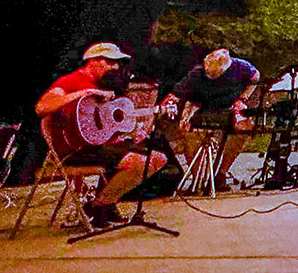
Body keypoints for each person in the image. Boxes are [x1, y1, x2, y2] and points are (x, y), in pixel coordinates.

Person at [35, 41, 169, 231]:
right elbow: (42, 107)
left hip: (98, 145)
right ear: (94, 61)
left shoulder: (106, 86)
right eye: (111, 62)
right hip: (75, 150)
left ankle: (102, 204)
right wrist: (86, 92)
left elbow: (102, 125)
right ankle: (101, 208)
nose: (115, 68)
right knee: (137, 162)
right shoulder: (70, 81)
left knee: (157, 158)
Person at [161, 48, 261, 192]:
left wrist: (243, 97)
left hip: (230, 106)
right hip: (203, 106)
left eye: (215, 75)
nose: (211, 77)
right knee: (188, 132)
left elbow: (256, 76)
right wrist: (168, 105)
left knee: (245, 127)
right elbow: (176, 94)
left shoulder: (241, 66)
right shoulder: (196, 73)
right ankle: (197, 180)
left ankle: (221, 174)